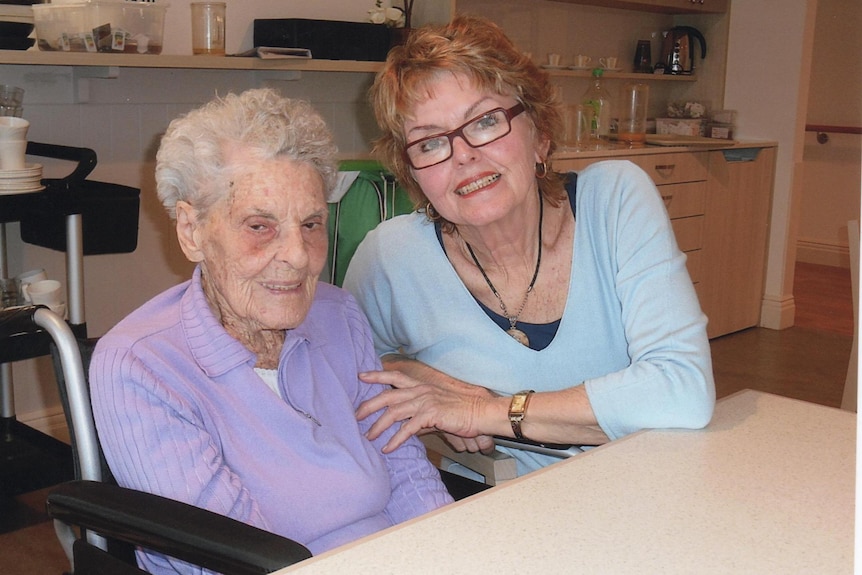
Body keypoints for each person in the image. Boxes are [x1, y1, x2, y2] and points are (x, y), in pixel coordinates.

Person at [88, 88, 453, 574]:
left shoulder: (339, 315)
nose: (299, 256)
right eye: (260, 226)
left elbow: (405, 468)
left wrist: (455, 549)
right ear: (192, 230)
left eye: (311, 224)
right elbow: (225, 557)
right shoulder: (140, 365)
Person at [343, 15, 716, 477]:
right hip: (494, 518)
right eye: (429, 143)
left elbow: (682, 389)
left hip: (647, 494)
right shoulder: (390, 256)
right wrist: (428, 381)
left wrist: (485, 411)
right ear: (413, 173)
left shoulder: (614, 200)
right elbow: (347, 365)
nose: (463, 155)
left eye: (484, 122)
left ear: (539, 133)